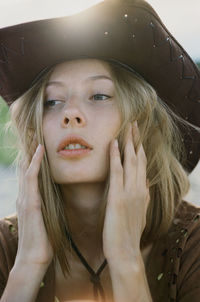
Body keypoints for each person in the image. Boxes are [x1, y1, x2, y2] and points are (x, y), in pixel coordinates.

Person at [0, 1, 200, 302]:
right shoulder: (6, 246)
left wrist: (125, 261)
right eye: (52, 101)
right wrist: (27, 266)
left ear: (143, 121)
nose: (71, 114)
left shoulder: (193, 245)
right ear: (34, 128)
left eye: (99, 95)